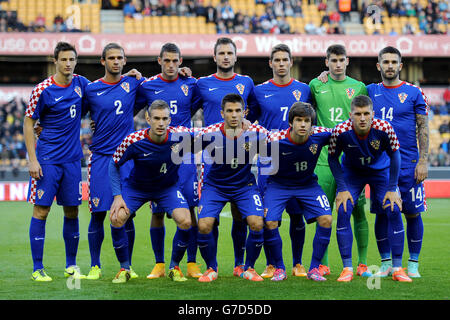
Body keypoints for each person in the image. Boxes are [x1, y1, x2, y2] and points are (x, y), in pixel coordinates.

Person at [135, 43, 202, 279]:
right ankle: (160, 264)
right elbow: (127, 108)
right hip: (158, 155)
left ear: (181, 62)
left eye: (176, 61)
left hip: (184, 154)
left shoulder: (191, 84)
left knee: (191, 209)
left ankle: (192, 263)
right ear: (159, 61)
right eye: (167, 61)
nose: (172, 65)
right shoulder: (148, 85)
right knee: (158, 211)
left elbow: (200, 105)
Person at [24, 42, 90, 281]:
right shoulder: (42, 89)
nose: (68, 64)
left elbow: (103, 93)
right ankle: (37, 268)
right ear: (56, 61)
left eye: (72, 59)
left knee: (72, 211)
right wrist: (33, 160)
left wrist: (130, 75)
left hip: (72, 160)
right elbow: (28, 123)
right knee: (41, 211)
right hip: (48, 160)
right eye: (64, 60)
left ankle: (71, 266)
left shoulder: (82, 84)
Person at [328, 95, 412, 282]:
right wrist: (342, 187)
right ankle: (347, 268)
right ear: (351, 115)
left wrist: (392, 187)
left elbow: (395, 155)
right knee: (343, 209)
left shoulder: (384, 128)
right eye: (358, 114)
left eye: (366, 113)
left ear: (373, 114)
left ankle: (397, 268)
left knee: (393, 208)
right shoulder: (340, 131)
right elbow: (333, 158)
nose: (363, 118)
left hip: (380, 172)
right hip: (352, 173)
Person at [108, 100, 193, 283]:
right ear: (148, 118)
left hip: (166, 188)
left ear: (170, 119)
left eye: (164, 118)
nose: (160, 123)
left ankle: (174, 267)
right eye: (156, 118)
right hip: (137, 188)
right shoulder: (133, 140)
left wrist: (243, 124)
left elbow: (209, 133)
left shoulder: (181, 136)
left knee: (186, 221)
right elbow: (113, 164)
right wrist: (117, 196)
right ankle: (124, 268)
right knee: (116, 218)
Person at [192, 37, 257, 277]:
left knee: (241, 213)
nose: (226, 57)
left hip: (240, 152)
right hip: (211, 154)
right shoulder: (202, 83)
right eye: (222, 53)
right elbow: (186, 106)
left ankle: (240, 263)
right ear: (214, 57)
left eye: (230, 52)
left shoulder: (246, 82)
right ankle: (213, 265)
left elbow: (255, 111)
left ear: (236, 56)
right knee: (211, 217)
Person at [247, 43, 313, 278]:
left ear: (291, 62)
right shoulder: (259, 91)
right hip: (268, 160)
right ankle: (272, 263)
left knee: (296, 215)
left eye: (285, 60)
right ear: (271, 63)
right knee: (267, 216)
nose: (281, 64)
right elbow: (248, 120)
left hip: (295, 161)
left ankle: (297, 263)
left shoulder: (304, 90)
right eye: (277, 60)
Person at [83, 43, 145, 280]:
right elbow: (77, 111)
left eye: (120, 58)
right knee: (98, 213)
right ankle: (95, 265)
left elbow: (158, 87)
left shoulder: (132, 83)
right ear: (103, 61)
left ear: (125, 60)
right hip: (101, 158)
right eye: (111, 58)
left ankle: (126, 266)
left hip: (127, 159)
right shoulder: (91, 89)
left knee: (126, 213)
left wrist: (184, 72)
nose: (116, 61)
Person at [367, 46, 429, 278]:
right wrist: (324, 75)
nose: (390, 65)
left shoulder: (414, 92)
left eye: (394, 62)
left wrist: (422, 161)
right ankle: (385, 263)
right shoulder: (370, 90)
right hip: (379, 166)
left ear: (401, 66)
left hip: (409, 163)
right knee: (382, 213)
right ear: (379, 65)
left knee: (412, 213)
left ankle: (413, 263)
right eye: (386, 62)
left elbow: (423, 127)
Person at [310, 44, 371, 277]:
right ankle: (323, 263)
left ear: (347, 61)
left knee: (357, 212)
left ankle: (362, 262)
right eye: (333, 60)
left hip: (352, 162)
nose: (337, 64)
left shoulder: (359, 87)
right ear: (326, 62)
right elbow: (305, 113)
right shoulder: (316, 85)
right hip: (324, 160)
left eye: (341, 60)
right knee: (324, 213)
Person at [195, 93, 267, 283]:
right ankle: (211, 268)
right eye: (229, 111)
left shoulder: (256, 133)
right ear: (222, 113)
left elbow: (273, 143)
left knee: (257, 223)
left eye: (238, 111)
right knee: (204, 225)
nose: (234, 115)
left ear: (245, 112)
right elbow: (185, 148)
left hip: (244, 185)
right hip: (215, 186)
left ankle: (246, 267)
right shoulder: (209, 133)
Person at [263, 102, 332, 281]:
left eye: (307, 121)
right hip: (278, 186)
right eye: (298, 120)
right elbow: (252, 143)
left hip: (308, 185)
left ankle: (315, 268)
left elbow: (342, 131)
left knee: (326, 219)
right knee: (270, 222)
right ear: (291, 123)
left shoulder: (320, 136)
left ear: (312, 124)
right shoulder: (275, 139)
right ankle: (279, 268)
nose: (303, 124)